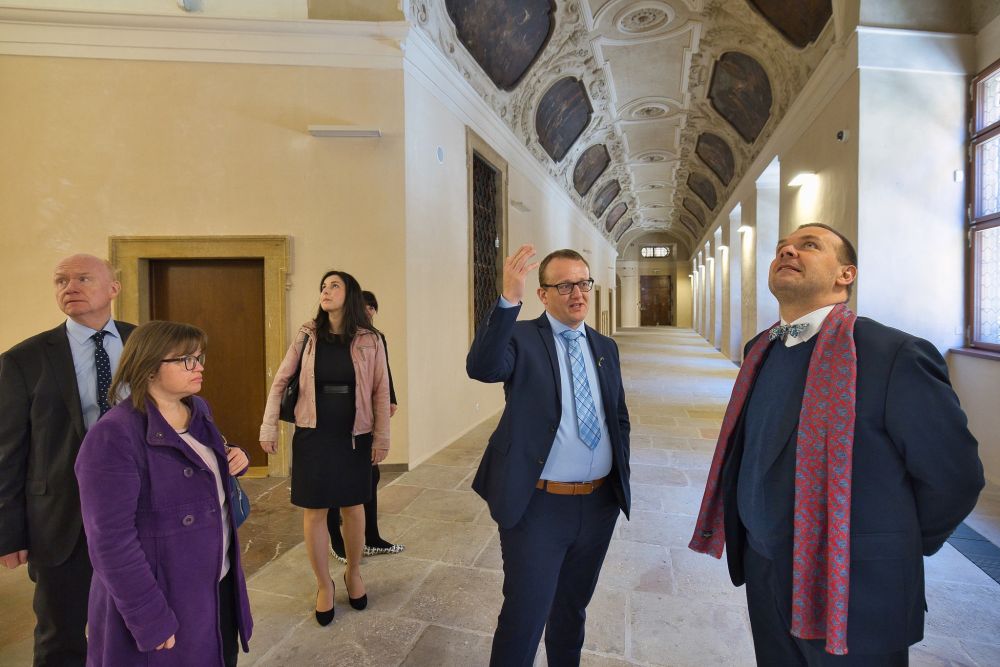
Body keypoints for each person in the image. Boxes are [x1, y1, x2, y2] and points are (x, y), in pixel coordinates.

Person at [689, 223, 984, 665]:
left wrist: (888, 543)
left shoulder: (891, 354)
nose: (788, 251)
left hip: (853, 585)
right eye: (782, 248)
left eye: (809, 245)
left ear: (846, 275)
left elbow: (955, 478)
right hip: (764, 569)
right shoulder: (760, 350)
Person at [467, 245, 631, 666]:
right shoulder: (521, 338)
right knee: (524, 617)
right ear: (542, 294)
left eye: (583, 283)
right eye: (564, 286)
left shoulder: (605, 347)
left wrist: (617, 480)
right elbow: (483, 367)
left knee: (571, 611)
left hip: (598, 505)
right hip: (538, 506)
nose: (577, 293)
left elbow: (618, 416)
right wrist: (508, 299)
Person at [74, 320, 254, 666]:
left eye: (199, 357)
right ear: (149, 367)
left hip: (216, 587)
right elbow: (110, 541)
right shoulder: (113, 436)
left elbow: (201, 460)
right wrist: (148, 616)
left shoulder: (197, 409)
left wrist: (236, 455)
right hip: (164, 598)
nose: (199, 367)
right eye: (186, 359)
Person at [0, 253, 135, 666]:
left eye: (83, 278)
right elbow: (7, 450)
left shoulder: (144, 343)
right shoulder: (23, 359)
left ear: (113, 289)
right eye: (61, 280)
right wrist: (9, 532)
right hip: (61, 518)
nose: (70, 287)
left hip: (137, 507)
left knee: (139, 627)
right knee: (60, 636)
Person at [259, 270, 390, 624]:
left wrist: (382, 437)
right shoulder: (308, 334)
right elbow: (281, 381)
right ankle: (323, 585)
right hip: (312, 435)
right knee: (315, 511)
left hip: (354, 435)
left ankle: (353, 573)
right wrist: (269, 425)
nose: (326, 290)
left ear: (350, 294)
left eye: (334, 285)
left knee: (354, 507)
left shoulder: (370, 339)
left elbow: (381, 390)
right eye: (323, 286)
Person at [328, 290, 404, 563]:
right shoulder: (332, 336)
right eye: (364, 306)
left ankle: (371, 538)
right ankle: (336, 542)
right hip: (334, 421)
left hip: (364, 421)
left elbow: (383, 374)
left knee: (369, 476)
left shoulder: (375, 337)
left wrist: (390, 400)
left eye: (372, 306)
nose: (369, 310)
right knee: (333, 479)